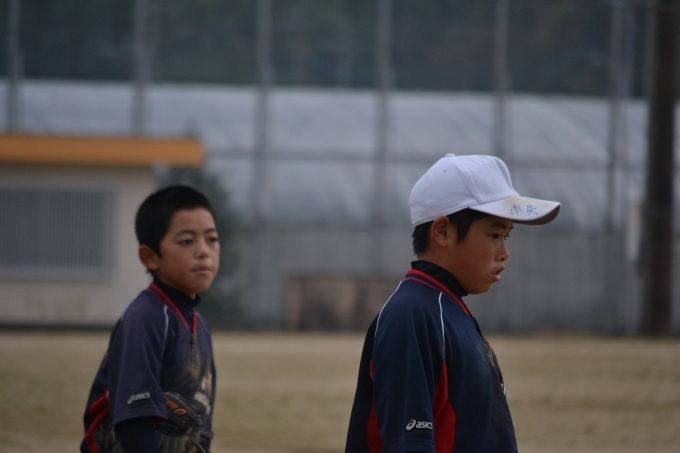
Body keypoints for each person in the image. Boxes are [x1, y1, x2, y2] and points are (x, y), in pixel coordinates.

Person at [345, 154, 561, 453]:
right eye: (494, 234)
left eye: (506, 237)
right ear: (442, 232)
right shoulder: (413, 315)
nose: (504, 252)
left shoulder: (448, 308)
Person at [80, 185, 220, 453]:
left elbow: (201, 430)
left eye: (211, 239)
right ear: (151, 257)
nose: (204, 251)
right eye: (187, 241)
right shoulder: (146, 317)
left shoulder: (201, 326)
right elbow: (134, 421)